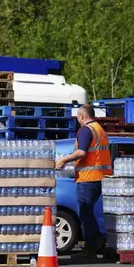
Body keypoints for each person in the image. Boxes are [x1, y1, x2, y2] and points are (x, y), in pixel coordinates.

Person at [55, 105, 112, 258]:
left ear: (82, 117)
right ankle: (97, 241)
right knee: (88, 212)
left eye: (78, 118)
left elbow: (81, 152)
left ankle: (91, 246)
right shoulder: (100, 129)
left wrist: (64, 160)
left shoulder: (86, 130)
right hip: (100, 176)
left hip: (89, 178)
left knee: (85, 211)